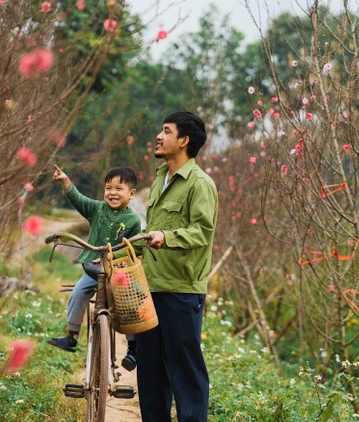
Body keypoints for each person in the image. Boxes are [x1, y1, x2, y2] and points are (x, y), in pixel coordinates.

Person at [138, 111, 218, 421]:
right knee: (151, 376)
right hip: (151, 288)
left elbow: (202, 231)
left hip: (181, 292)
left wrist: (166, 237)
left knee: (186, 375)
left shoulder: (200, 184)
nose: (159, 136)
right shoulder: (160, 177)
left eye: (167, 131)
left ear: (183, 141)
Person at [48, 164, 142, 371]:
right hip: (93, 269)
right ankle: (71, 336)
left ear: (131, 193)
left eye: (119, 189)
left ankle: (133, 350)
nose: (113, 193)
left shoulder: (133, 220)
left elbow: (137, 247)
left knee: (130, 304)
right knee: (78, 293)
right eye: (109, 188)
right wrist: (66, 182)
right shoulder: (97, 209)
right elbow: (79, 200)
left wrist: (113, 255)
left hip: (118, 272)